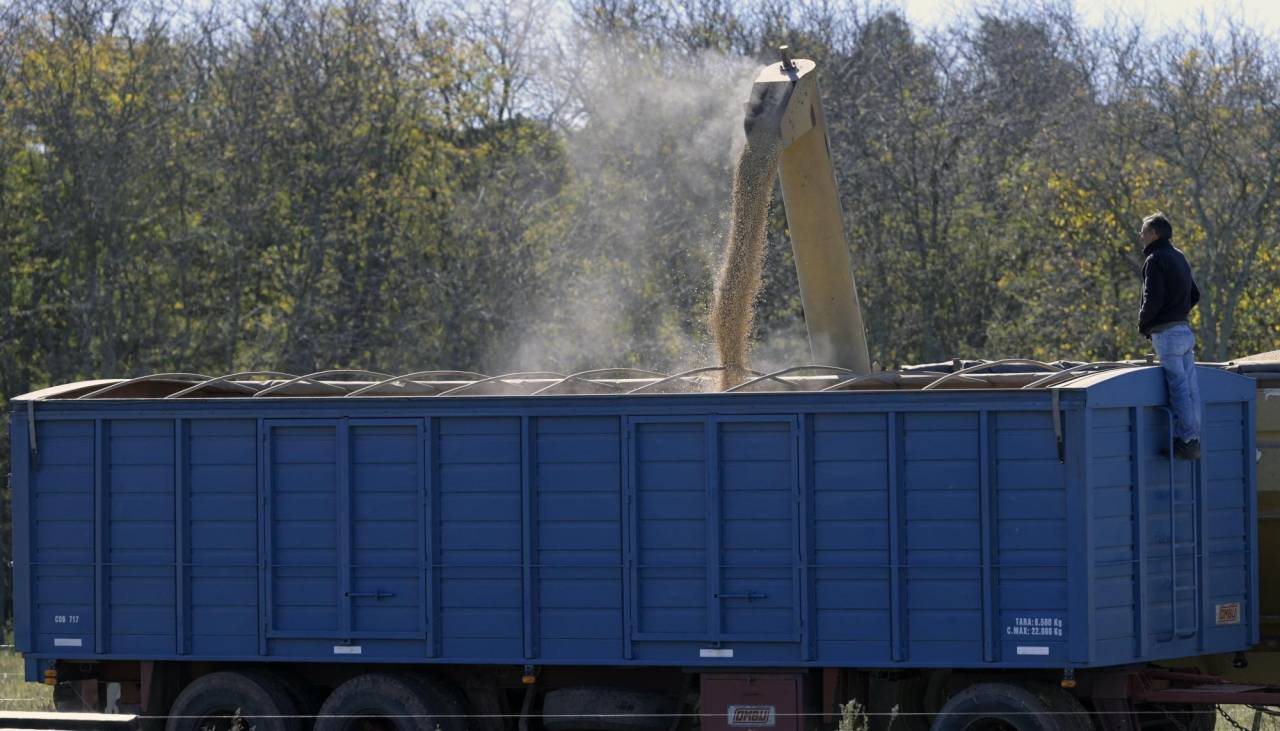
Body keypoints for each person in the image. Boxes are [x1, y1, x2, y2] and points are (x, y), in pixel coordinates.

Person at [1138, 212, 1202, 460]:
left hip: (1167, 333)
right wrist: (1178, 311)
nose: (1140, 236)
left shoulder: (1155, 259)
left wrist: (1144, 324)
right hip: (1184, 330)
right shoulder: (1179, 256)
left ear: (1155, 234)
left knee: (1178, 389)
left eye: (1143, 231)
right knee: (1191, 388)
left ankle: (1186, 441)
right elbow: (1194, 295)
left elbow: (1151, 299)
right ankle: (1194, 437)